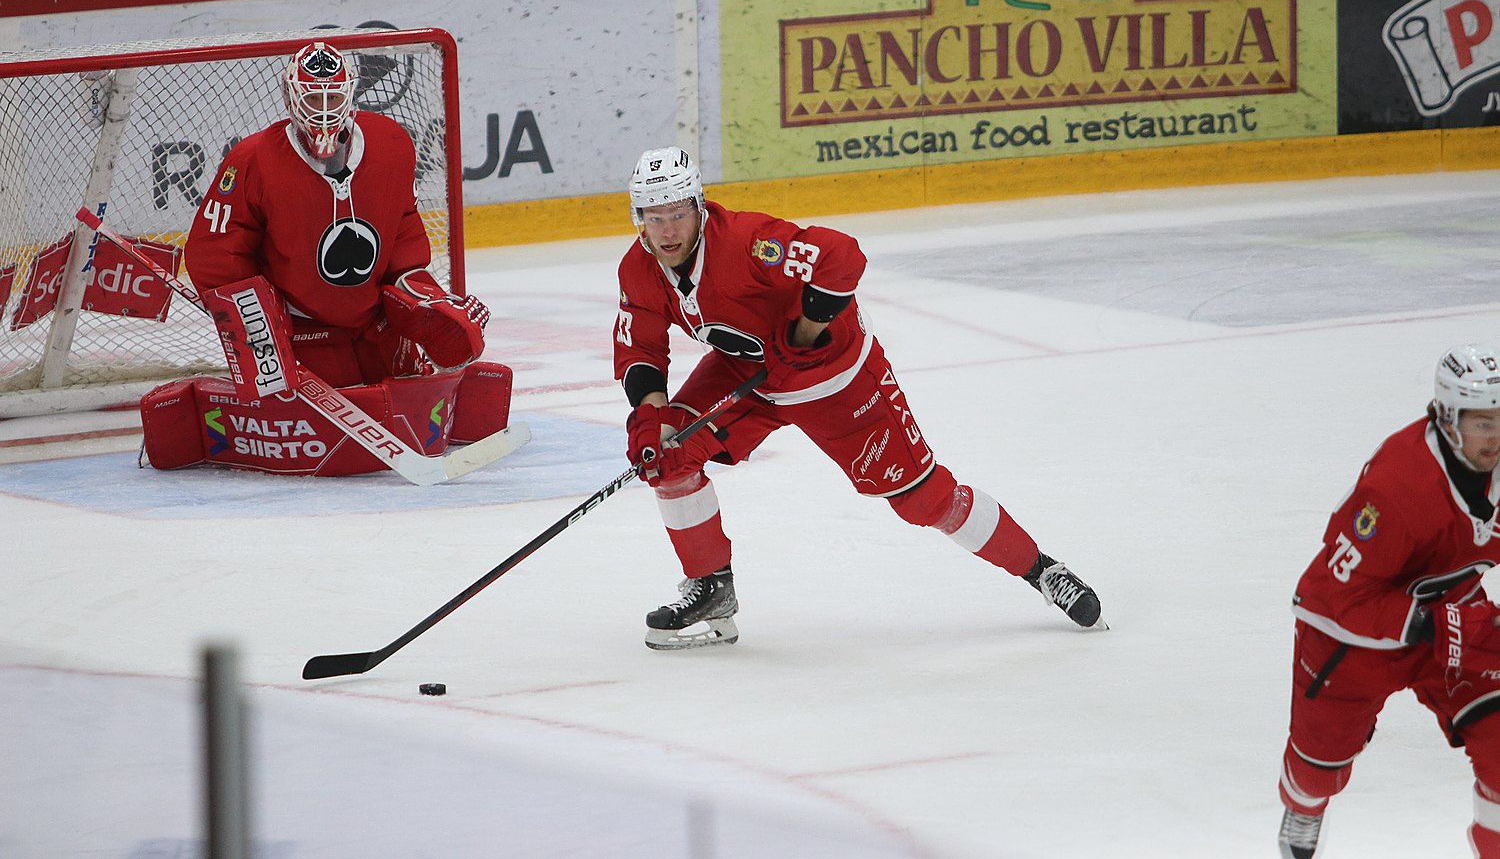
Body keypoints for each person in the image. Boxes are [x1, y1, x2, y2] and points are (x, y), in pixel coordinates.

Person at [612, 145, 1106, 650]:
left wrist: (805, 333)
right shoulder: (638, 269)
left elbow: (841, 257)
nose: (667, 230)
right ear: (639, 219)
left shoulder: (750, 243)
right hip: (750, 374)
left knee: (922, 499)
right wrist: (652, 419)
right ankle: (711, 589)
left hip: (834, 379)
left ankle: (1041, 570)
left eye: (677, 214)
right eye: (654, 217)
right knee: (668, 456)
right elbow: (642, 349)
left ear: (698, 206)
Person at [138, 40, 511, 478]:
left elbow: (404, 231)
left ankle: (432, 374)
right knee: (336, 409)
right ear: (290, 97)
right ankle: (207, 417)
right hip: (302, 329)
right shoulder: (253, 160)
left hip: (374, 323)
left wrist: (418, 294)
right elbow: (214, 251)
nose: (324, 109)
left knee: (407, 385)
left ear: (351, 94)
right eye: (313, 98)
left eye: (333, 96)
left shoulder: (392, 144)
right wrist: (256, 321)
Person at [1277, 343, 1500, 859]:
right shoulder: (1398, 488)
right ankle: (1304, 805)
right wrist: (1430, 624)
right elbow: (1337, 597)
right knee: (1319, 767)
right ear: (1447, 418)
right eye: (1481, 422)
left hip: (1456, 613)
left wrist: (1450, 623)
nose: (1494, 436)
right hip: (1348, 634)